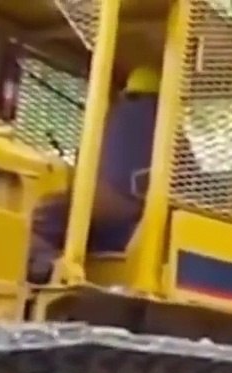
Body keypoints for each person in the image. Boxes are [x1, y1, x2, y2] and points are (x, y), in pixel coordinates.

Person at [28, 65, 162, 282]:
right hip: (140, 225)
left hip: (113, 214)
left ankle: (44, 266)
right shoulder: (170, 131)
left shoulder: (117, 119)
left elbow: (92, 164)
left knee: (48, 212)